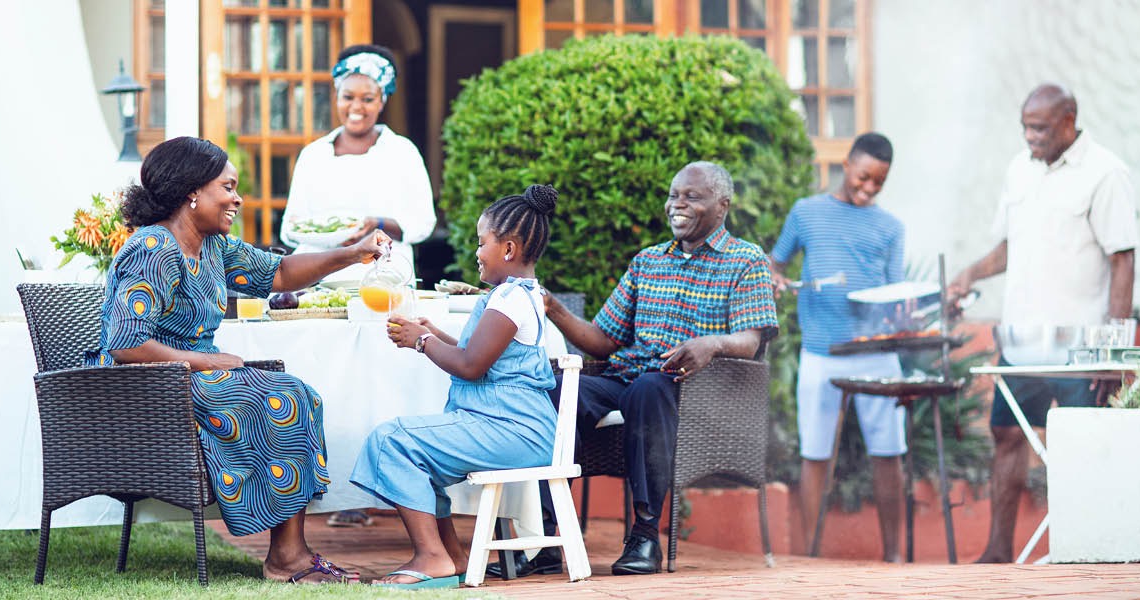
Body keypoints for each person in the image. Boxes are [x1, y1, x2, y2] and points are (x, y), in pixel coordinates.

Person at [87, 136, 390, 584]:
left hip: (188, 376)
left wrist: (351, 254)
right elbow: (128, 344)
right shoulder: (153, 248)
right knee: (274, 397)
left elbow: (280, 273)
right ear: (193, 192)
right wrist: (206, 363)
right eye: (227, 188)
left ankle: (290, 554)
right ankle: (288, 558)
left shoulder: (212, 246)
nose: (237, 198)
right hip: (143, 385)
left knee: (297, 395)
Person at [506, 162, 779, 577]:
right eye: (674, 195)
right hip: (626, 376)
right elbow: (603, 340)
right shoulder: (648, 261)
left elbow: (750, 340)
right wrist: (554, 308)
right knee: (558, 390)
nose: (677, 204)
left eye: (691, 196)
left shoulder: (745, 261)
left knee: (648, 390)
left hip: (692, 387)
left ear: (722, 205)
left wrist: (711, 343)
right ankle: (547, 538)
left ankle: (645, 535)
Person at [948, 83, 1138, 563]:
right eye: (1025, 127)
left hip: (1080, 348)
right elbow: (1010, 246)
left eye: (1039, 128)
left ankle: (1085, 556)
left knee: (1081, 448)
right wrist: (968, 274)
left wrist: (1114, 352)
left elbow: (1123, 260)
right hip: (1021, 341)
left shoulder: (1106, 174)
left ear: (1069, 118)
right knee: (1008, 437)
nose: (1030, 137)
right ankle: (996, 552)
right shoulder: (1019, 169)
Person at [350, 184, 561, 589]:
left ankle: (431, 557)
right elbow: (480, 357)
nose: (477, 252)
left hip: (514, 430)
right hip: (512, 426)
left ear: (509, 250)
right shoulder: (516, 295)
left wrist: (421, 341)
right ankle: (453, 557)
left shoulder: (510, 300)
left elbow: (469, 366)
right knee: (416, 455)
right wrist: (434, 333)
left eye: (482, 243)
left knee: (391, 440)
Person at [769, 132, 907, 563]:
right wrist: (775, 280)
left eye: (879, 184)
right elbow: (776, 263)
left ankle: (893, 556)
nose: (869, 189)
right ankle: (810, 556)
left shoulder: (891, 227)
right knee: (815, 452)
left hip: (877, 354)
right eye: (864, 177)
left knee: (888, 453)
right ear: (846, 164)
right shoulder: (806, 212)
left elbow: (896, 290)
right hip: (820, 352)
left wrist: (903, 314)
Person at [279, 43, 435, 285]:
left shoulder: (402, 152)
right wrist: (328, 235)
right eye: (348, 97)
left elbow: (422, 223)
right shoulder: (314, 155)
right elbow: (290, 229)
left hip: (385, 280)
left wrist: (377, 224)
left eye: (368, 99)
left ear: (382, 101)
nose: (356, 107)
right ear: (336, 97)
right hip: (318, 281)